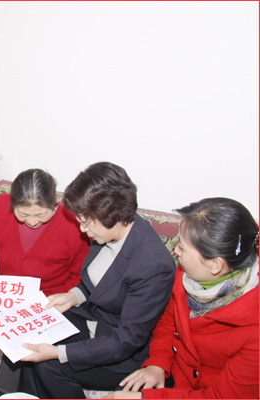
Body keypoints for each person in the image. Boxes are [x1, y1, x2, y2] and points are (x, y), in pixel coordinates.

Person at [19, 162, 176, 399]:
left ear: (109, 215)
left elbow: (126, 340)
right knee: (29, 342)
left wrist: (58, 352)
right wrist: (73, 296)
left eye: (85, 221)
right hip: (93, 320)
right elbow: (100, 282)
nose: (83, 230)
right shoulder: (110, 231)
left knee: (46, 364)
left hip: (119, 352)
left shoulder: (153, 266)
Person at [0, 168, 90, 391]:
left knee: (22, 345)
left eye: (41, 215)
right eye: (23, 215)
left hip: (45, 302)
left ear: (54, 203)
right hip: (5, 293)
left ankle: (2, 394)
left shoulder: (73, 223)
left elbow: (78, 277)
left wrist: (48, 302)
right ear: (12, 204)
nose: (32, 221)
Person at [107, 197, 258, 399]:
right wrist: (157, 363)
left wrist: (145, 398)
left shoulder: (254, 331)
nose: (175, 250)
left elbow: (222, 396)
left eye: (183, 247)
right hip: (176, 373)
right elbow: (169, 320)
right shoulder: (188, 274)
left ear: (215, 265)